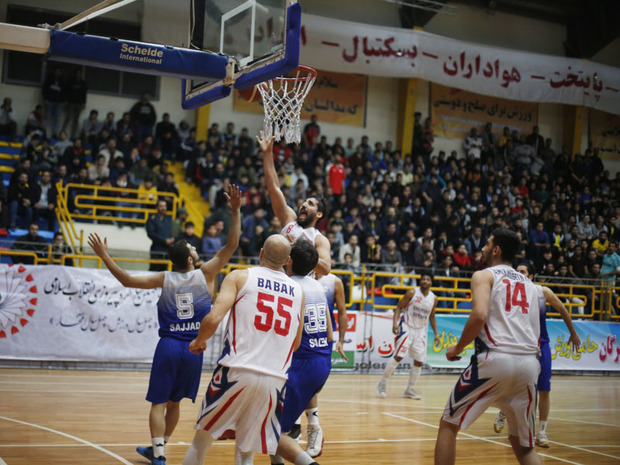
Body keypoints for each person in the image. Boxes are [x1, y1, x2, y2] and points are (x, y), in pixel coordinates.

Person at [89, 184, 241, 465]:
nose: (196, 248)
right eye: (193, 248)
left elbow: (126, 280)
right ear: (188, 259)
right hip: (195, 349)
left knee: (158, 403)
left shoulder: (164, 278)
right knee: (175, 404)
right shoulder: (207, 274)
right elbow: (231, 245)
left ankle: (158, 453)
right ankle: (159, 449)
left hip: (169, 346)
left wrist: (104, 256)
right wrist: (236, 211)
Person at [182, 234, 305, 465]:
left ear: (260, 253)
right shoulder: (299, 292)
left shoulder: (240, 276)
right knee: (247, 450)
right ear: (288, 261)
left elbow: (214, 317)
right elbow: (296, 344)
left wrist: (198, 341)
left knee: (202, 440)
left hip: (236, 370)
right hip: (276, 380)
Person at [434, 228, 543, 465]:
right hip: (529, 365)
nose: (482, 248)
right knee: (524, 447)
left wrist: (458, 348)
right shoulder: (533, 287)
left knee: (448, 424)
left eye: (487, 244)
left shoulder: (484, 275)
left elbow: (479, 315)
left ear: (496, 250)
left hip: (496, 359)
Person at [493, 261, 581, 448]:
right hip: (519, 345)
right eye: (516, 271)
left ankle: (541, 431)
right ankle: (504, 411)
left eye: (523, 272)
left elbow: (563, 310)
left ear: (531, 276)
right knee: (511, 384)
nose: (518, 274)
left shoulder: (542, 292)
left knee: (544, 390)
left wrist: (573, 333)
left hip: (541, 345)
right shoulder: (508, 291)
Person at [271, 240, 329, 465]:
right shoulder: (317, 286)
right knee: (276, 426)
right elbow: (330, 332)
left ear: (289, 260)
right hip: (322, 360)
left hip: (301, 363)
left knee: (271, 429)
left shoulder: (288, 286)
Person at [258, 133, 330, 277]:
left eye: (310, 204)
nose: (303, 204)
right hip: (276, 278)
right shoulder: (289, 219)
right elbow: (273, 188)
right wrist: (267, 154)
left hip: (301, 286)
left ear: (319, 214)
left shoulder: (319, 238)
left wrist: (298, 248)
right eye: (304, 202)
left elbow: (325, 269)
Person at [377, 273, 439, 399]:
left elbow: (432, 316)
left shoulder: (434, 298)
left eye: (428, 279)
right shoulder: (412, 293)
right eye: (423, 278)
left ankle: (409, 389)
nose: (425, 281)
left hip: (421, 330)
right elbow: (399, 307)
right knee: (399, 356)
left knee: (419, 361)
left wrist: (436, 333)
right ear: (420, 281)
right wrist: (395, 323)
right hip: (407, 327)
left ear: (431, 283)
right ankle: (383, 382)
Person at [146, 199, 175, 271]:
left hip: (168, 250)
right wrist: (164, 240)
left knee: (166, 271)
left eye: (165, 206)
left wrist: (173, 239)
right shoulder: (152, 219)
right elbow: (151, 233)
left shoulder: (169, 220)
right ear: (157, 208)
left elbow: (172, 232)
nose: (163, 208)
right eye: (161, 206)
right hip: (156, 249)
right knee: (154, 271)